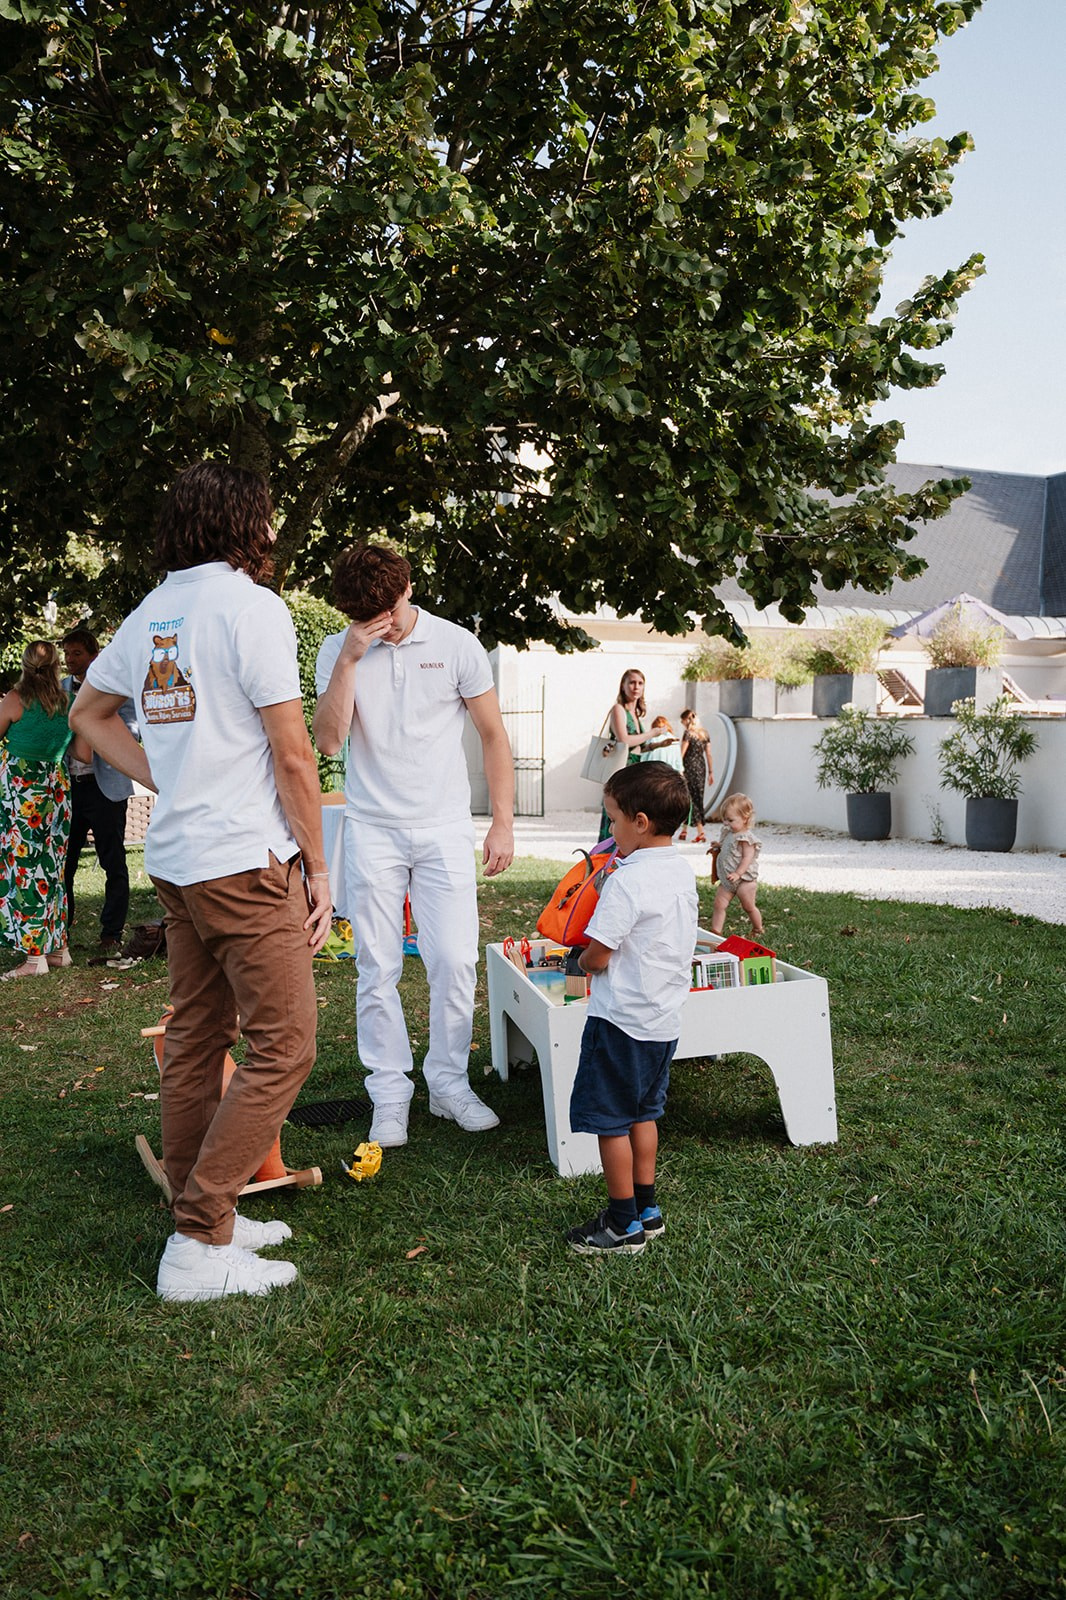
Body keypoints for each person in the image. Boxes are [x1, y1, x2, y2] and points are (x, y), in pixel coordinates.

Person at [70, 461, 332, 1303]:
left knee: (195, 1041)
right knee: (286, 1046)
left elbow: (87, 713)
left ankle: (200, 1213)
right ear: (247, 523)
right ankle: (197, 1241)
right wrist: (319, 867)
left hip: (180, 866)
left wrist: (165, 780)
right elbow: (295, 754)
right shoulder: (250, 607)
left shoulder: (152, 611)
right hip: (243, 864)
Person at [313, 542, 515, 1151]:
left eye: (391, 612)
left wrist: (501, 821)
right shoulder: (339, 646)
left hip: (444, 827)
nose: (385, 624)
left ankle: (448, 1082)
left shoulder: (456, 644)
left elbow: (492, 734)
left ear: (408, 589)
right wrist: (350, 658)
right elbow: (327, 743)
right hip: (371, 826)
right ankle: (389, 1092)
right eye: (367, 616)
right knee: (377, 965)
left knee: (454, 959)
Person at [566, 760, 697, 1255]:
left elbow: (599, 954)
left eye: (614, 820)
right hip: (662, 1021)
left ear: (640, 823)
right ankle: (648, 1207)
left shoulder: (627, 880)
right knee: (645, 1113)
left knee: (610, 1120)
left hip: (620, 1021)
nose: (611, 830)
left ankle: (622, 1224)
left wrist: (581, 960)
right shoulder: (679, 872)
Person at [0, 641, 78, 980]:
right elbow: (86, 755)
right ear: (57, 665)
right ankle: (59, 949)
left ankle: (34, 959)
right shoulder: (69, 703)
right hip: (56, 788)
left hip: (22, 791)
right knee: (53, 865)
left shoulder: (15, 700)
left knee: (25, 867)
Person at [61, 627, 138, 953]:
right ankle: (60, 932)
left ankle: (111, 933)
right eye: (66, 654)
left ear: (93, 655)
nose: (69, 660)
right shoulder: (59, 689)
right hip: (68, 789)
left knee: (113, 862)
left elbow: (133, 732)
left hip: (105, 787)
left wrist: (93, 726)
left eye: (76, 653)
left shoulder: (116, 687)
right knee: (64, 864)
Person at [597, 667, 653, 841]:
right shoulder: (618, 709)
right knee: (617, 814)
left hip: (635, 769)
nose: (636, 687)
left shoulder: (635, 714)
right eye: (632, 682)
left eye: (640, 683)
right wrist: (653, 733)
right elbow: (624, 741)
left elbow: (638, 747)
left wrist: (657, 744)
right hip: (621, 771)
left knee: (630, 815)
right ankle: (607, 860)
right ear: (623, 686)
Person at [709, 792, 764, 936]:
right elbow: (727, 847)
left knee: (748, 906)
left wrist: (738, 873)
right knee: (719, 904)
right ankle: (716, 932)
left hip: (744, 879)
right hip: (728, 879)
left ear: (745, 818)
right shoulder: (729, 832)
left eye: (730, 820)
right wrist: (718, 846)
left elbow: (747, 858)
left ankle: (758, 928)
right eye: (725, 819)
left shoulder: (747, 839)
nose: (726, 823)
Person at [678, 708, 714, 844]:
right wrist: (711, 772)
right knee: (697, 797)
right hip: (701, 767)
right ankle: (684, 830)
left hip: (689, 767)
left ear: (686, 720)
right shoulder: (704, 734)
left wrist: (678, 768)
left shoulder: (688, 734)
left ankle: (700, 832)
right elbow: (709, 754)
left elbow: (682, 753)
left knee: (689, 799)